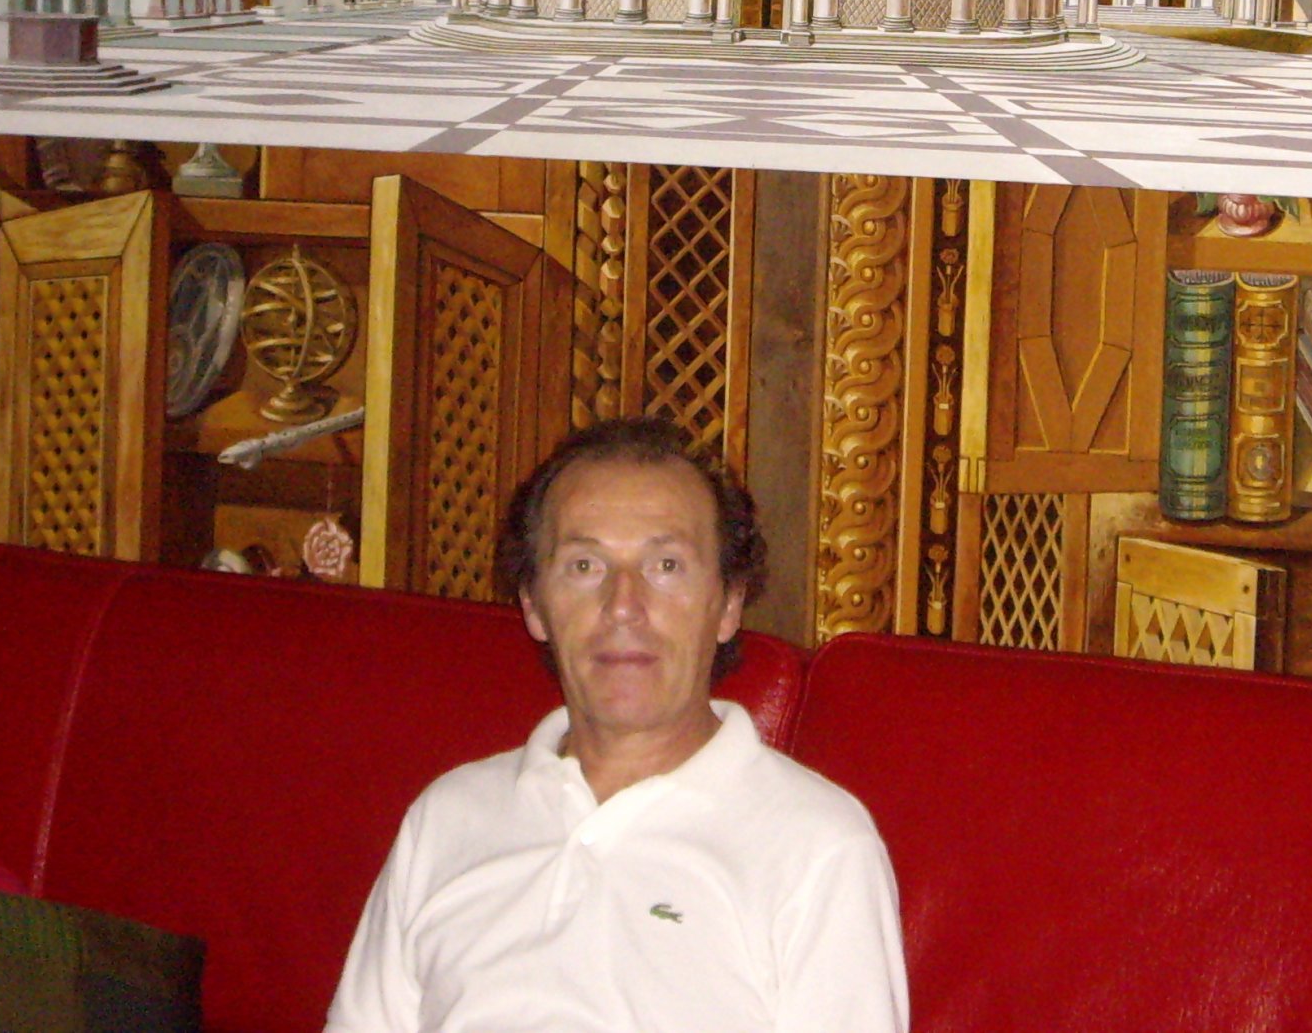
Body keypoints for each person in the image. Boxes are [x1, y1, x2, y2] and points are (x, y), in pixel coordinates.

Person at [323, 416, 909, 1033]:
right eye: (584, 566)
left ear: (729, 604)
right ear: (533, 604)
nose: (623, 606)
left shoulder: (817, 846)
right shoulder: (448, 817)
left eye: (666, 566)